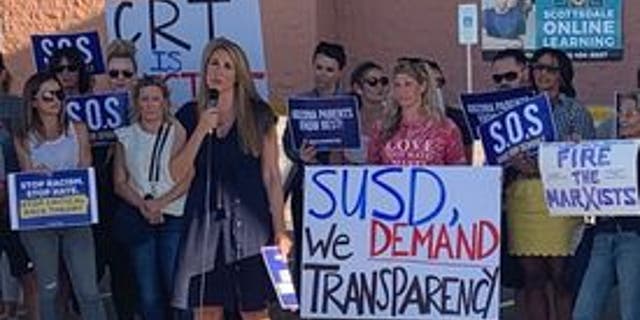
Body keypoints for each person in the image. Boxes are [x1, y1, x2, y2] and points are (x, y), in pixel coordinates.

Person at [170, 37, 291, 320]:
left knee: (255, 311)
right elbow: (175, 172)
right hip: (204, 225)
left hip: (251, 223)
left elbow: (272, 176)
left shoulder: (259, 115)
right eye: (214, 63)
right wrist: (201, 129)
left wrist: (280, 229)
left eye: (227, 66)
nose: (219, 71)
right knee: (207, 309)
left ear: (239, 74)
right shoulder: (189, 114)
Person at [505, 47, 595, 320]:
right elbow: (499, 151)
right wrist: (513, 161)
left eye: (550, 69)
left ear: (563, 76)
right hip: (524, 198)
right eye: (538, 67)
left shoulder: (575, 110)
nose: (542, 73)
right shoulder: (517, 110)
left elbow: (585, 158)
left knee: (562, 276)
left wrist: (546, 165)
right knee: (532, 277)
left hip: (560, 199)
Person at [13, 71, 106, 320]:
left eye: (59, 94)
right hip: (39, 220)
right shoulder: (23, 137)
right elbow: (26, 174)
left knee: (88, 290)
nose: (56, 100)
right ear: (33, 101)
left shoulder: (78, 129)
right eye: (48, 96)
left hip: (75, 215)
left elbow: (86, 169)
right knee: (48, 290)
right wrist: (34, 174)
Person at [113, 76, 190, 320]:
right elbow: (120, 182)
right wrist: (143, 205)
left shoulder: (176, 130)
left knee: (175, 285)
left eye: (155, 99)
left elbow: (187, 176)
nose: (150, 104)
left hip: (173, 214)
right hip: (140, 217)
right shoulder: (125, 136)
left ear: (165, 102)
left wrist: (161, 202)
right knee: (148, 290)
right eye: (144, 99)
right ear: (137, 102)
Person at [282, 40, 347, 291]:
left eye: (329, 69)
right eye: (319, 67)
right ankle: (304, 297)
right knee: (305, 242)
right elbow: (287, 142)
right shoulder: (300, 101)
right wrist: (300, 155)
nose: (323, 74)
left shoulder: (351, 102)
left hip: (343, 186)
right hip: (307, 184)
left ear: (339, 72)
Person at [572, 91, 640, 320]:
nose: (623, 118)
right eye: (621, 113)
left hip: (634, 237)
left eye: (631, 114)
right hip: (603, 234)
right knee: (584, 312)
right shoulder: (608, 149)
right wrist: (576, 154)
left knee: (632, 312)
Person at [91, 39, 140, 320]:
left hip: (134, 204)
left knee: (130, 279)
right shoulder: (89, 111)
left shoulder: (146, 109)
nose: (120, 79)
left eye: (126, 73)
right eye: (113, 73)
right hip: (100, 205)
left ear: (134, 76)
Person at [367, 59, 466, 165]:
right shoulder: (382, 127)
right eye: (397, 85)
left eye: (408, 84)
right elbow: (371, 166)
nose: (402, 91)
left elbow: (458, 169)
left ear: (422, 86)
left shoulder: (445, 128)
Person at [347, 61, 389, 163]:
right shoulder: (348, 119)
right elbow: (336, 159)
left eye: (383, 81)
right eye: (372, 82)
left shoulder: (395, 116)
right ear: (358, 88)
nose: (380, 87)